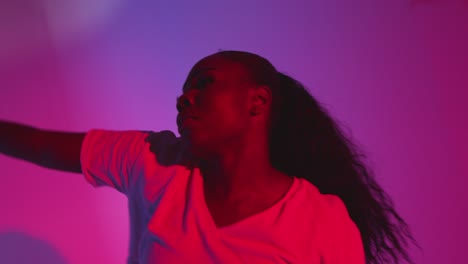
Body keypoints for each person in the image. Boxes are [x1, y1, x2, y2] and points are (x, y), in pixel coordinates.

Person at [0, 50, 417, 263]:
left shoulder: (321, 220)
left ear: (257, 100)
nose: (184, 98)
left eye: (204, 83)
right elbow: (39, 144)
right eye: (183, 89)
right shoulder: (152, 160)